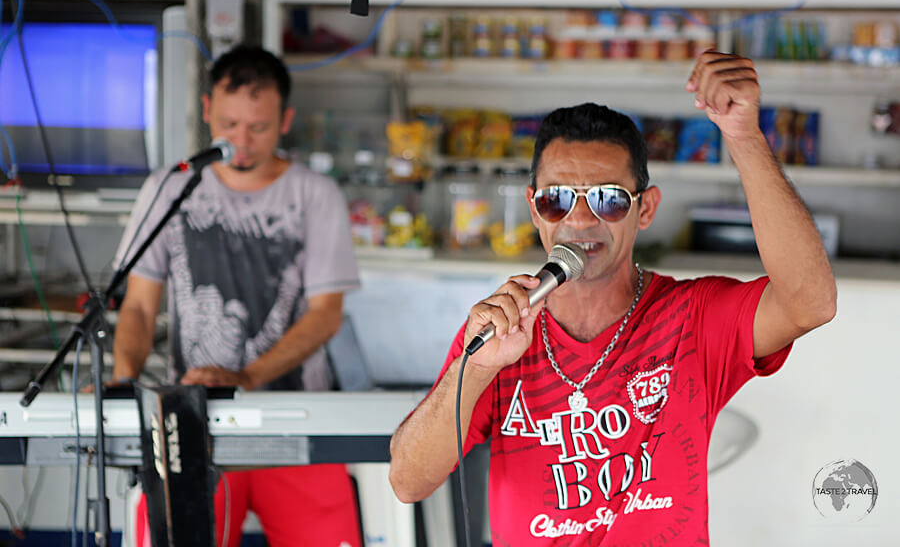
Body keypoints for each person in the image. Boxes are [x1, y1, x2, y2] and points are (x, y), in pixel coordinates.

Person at [388, 51, 837, 545]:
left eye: (608, 199)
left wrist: (744, 137)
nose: (579, 221)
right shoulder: (502, 328)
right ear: (534, 211)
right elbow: (409, 481)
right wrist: (475, 369)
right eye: (556, 199)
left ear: (645, 210)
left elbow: (809, 301)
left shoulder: (694, 317)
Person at [111, 45, 362, 547]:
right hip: (190, 419)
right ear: (207, 110)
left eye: (258, 127)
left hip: (298, 418)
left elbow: (325, 315)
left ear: (285, 120)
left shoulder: (315, 195)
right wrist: (123, 384)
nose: (241, 142)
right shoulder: (169, 188)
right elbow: (138, 305)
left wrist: (246, 377)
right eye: (229, 124)